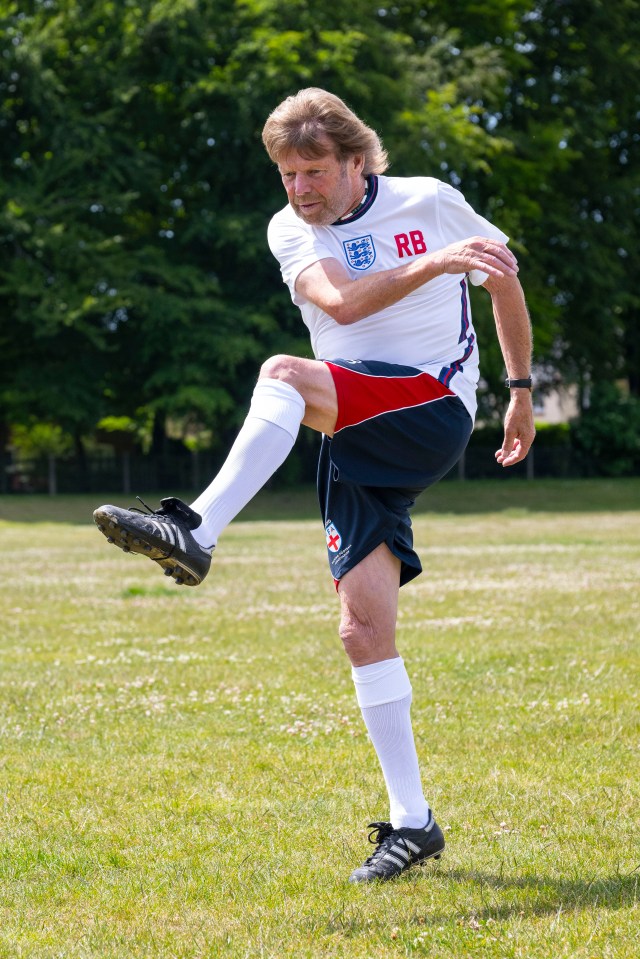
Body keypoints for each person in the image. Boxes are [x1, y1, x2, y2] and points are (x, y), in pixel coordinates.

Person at [94, 88, 535, 883]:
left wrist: (522, 390)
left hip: (430, 404)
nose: (301, 189)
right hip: (353, 416)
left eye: (315, 171)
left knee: (282, 373)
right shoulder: (290, 229)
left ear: (356, 161)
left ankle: (197, 530)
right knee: (362, 630)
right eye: (287, 173)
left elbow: (501, 278)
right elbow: (337, 300)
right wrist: (433, 264)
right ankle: (414, 821)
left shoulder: (428, 202)